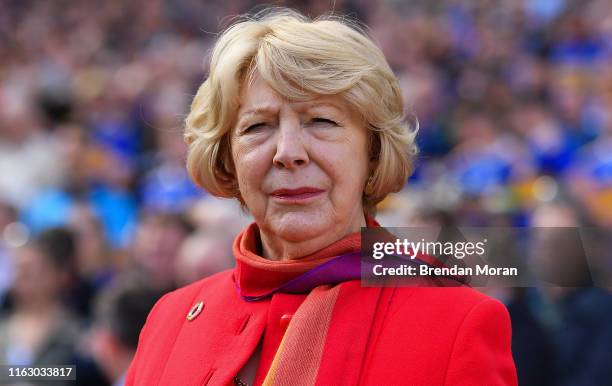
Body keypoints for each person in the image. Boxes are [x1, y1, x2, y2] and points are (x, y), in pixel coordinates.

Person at [125, 9, 517, 385]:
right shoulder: (168, 320)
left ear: (374, 151)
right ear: (228, 157)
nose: (288, 151)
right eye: (258, 126)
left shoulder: (457, 324)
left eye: (321, 121)